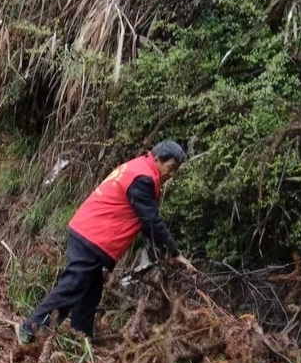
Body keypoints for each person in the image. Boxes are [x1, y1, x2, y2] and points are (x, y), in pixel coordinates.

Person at [18, 140, 196, 343]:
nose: (171, 174)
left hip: (89, 233)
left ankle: (80, 340)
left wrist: (166, 251)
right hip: (93, 236)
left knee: (89, 294)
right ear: (157, 159)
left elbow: (145, 222)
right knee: (73, 286)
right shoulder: (143, 178)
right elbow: (151, 220)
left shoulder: (139, 168)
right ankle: (30, 330)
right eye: (171, 167)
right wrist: (174, 252)